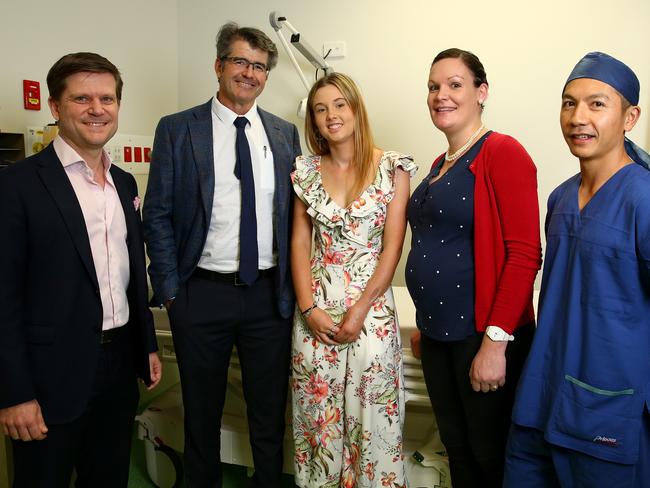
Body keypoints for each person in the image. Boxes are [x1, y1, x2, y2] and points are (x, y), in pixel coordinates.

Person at [143, 22, 301, 487]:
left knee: (269, 412)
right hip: (201, 294)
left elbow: (296, 216)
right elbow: (157, 214)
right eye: (239, 61)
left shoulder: (283, 134)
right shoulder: (178, 129)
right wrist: (172, 292)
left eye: (258, 66)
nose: (249, 73)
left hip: (268, 297)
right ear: (218, 66)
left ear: (266, 75)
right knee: (202, 412)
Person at [0, 52, 161, 488]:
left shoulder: (124, 183)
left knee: (108, 477)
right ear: (55, 107)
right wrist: (14, 393)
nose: (97, 109)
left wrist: (146, 345)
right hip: (50, 373)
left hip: (118, 365)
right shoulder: (17, 185)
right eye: (82, 98)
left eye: (107, 98)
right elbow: (4, 298)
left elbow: (130, 272)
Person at [504, 52, 650, 488]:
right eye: (569, 103)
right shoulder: (561, 198)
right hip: (541, 396)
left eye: (596, 104)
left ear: (630, 117)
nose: (577, 117)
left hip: (608, 407)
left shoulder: (642, 200)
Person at [406, 48, 542, 488]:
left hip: (482, 337)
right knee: (457, 451)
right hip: (438, 336)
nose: (440, 95)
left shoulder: (502, 152)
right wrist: (425, 324)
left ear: (481, 93)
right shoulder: (437, 166)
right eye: (433, 87)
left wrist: (496, 343)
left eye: (454, 85)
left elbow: (525, 254)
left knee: (491, 457)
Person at [290, 72, 416, 488]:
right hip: (316, 311)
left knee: (373, 422)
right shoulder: (305, 171)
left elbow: (391, 249)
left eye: (340, 104)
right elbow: (298, 242)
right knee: (317, 425)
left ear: (357, 109)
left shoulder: (393, 168)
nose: (331, 115)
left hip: (371, 311)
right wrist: (309, 308)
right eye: (321, 109)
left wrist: (360, 310)